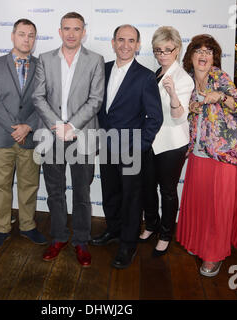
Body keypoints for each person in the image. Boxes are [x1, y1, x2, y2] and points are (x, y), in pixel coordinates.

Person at [32, 12, 105, 267]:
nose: (71, 33)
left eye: (76, 29)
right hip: (52, 135)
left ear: (84, 31)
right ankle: (59, 236)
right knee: (55, 191)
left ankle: (82, 241)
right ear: (59, 31)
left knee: (83, 192)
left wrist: (72, 125)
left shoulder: (96, 60)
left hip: (82, 135)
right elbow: (38, 96)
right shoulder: (45, 59)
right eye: (67, 28)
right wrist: (58, 126)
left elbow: (96, 99)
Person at [176, 34, 237, 277]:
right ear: (191, 56)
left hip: (223, 154)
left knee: (218, 206)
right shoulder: (186, 80)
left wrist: (220, 96)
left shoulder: (219, 77)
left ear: (214, 58)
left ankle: (214, 255)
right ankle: (198, 243)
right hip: (198, 151)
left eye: (208, 51)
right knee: (201, 202)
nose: (203, 55)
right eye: (199, 50)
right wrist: (191, 107)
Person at [90, 24, 163, 269]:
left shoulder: (145, 76)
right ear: (113, 42)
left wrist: (140, 146)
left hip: (131, 150)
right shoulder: (103, 69)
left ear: (138, 45)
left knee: (132, 199)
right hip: (106, 146)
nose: (125, 45)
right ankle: (113, 230)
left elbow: (155, 118)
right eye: (121, 40)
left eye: (131, 41)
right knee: (110, 192)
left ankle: (128, 245)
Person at [0, 19, 47, 250]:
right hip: (0, 135)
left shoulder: (42, 66)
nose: (26, 39)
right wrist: (15, 127)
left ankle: (28, 226)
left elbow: (44, 103)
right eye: (22, 34)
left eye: (31, 35)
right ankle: (1, 228)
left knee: (29, 185)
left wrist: (27, 127)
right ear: (13, 36)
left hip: (30, 136)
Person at [138, 26, 194, 257]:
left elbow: (180, 117)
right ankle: (151, 224)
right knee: (147, 186)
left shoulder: (183, 79)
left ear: (177, 50)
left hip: (172, 143)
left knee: (168, 191)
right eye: (157, 50)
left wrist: (172, 95)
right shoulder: (155, 73)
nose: (162, 54)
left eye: (167, 50)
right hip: (151, 141)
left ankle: (165, 234)